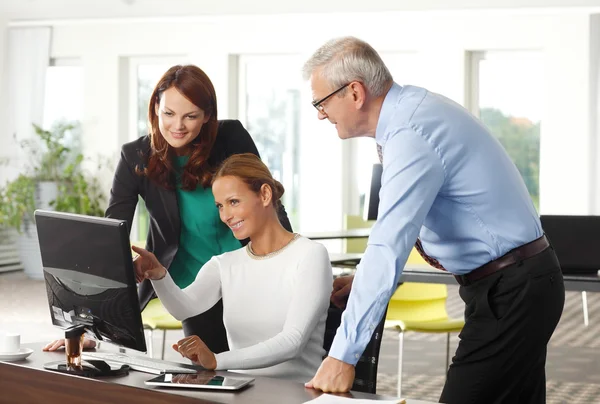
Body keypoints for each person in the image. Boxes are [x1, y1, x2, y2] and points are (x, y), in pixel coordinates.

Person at [302, 37, 565, 403]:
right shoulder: (410, 115)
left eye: (321, 102)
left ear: (355, 92)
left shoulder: (411, 133)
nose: (319, 113)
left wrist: (343, 355)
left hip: (513, 289)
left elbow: (388, 244)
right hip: (518, 282)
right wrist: (365, 281)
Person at [44, 64, 292, 353]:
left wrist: (291, 261)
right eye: (168, 114)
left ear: (207, 115)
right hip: (192, 288)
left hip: (248, 275)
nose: (178, 126)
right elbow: (110, 239)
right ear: (155, 109)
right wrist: (91, 327)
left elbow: (269, 202)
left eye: (191, 116)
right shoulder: (135, 156)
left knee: (266, 370)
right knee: (210, 380)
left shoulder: (230, 137)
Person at [131, 153, 332, 382]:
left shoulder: (310, 255)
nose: (225, 216)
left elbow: (293, 341)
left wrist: (218, 360)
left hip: (297, 394)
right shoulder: (225, 264)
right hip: (242, 392)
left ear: (265, 195)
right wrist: (159, 275)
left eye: (233, 202)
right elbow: (183, 308)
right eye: (219, 206)